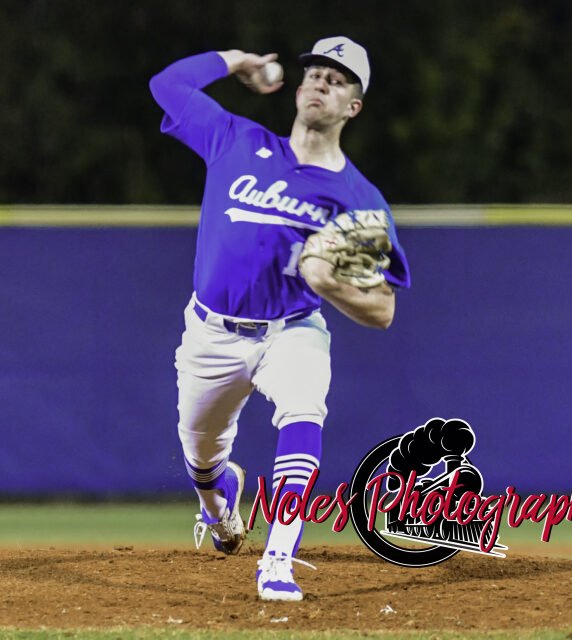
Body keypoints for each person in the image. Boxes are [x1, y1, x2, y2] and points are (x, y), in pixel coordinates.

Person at [149, 36, 410, 601]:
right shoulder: (236, 140)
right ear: (297, 89)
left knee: (304, 409)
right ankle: (220, 508)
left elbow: (383, 309)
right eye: (314, 73)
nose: (320, 82)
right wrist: (235, 61)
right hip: (211, 334)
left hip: (292, 330)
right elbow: (166, 87)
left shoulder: (358, 200)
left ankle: (279, 559)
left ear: (353, 107)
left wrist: (331, 285)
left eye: (336, 80)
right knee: (201, 459)